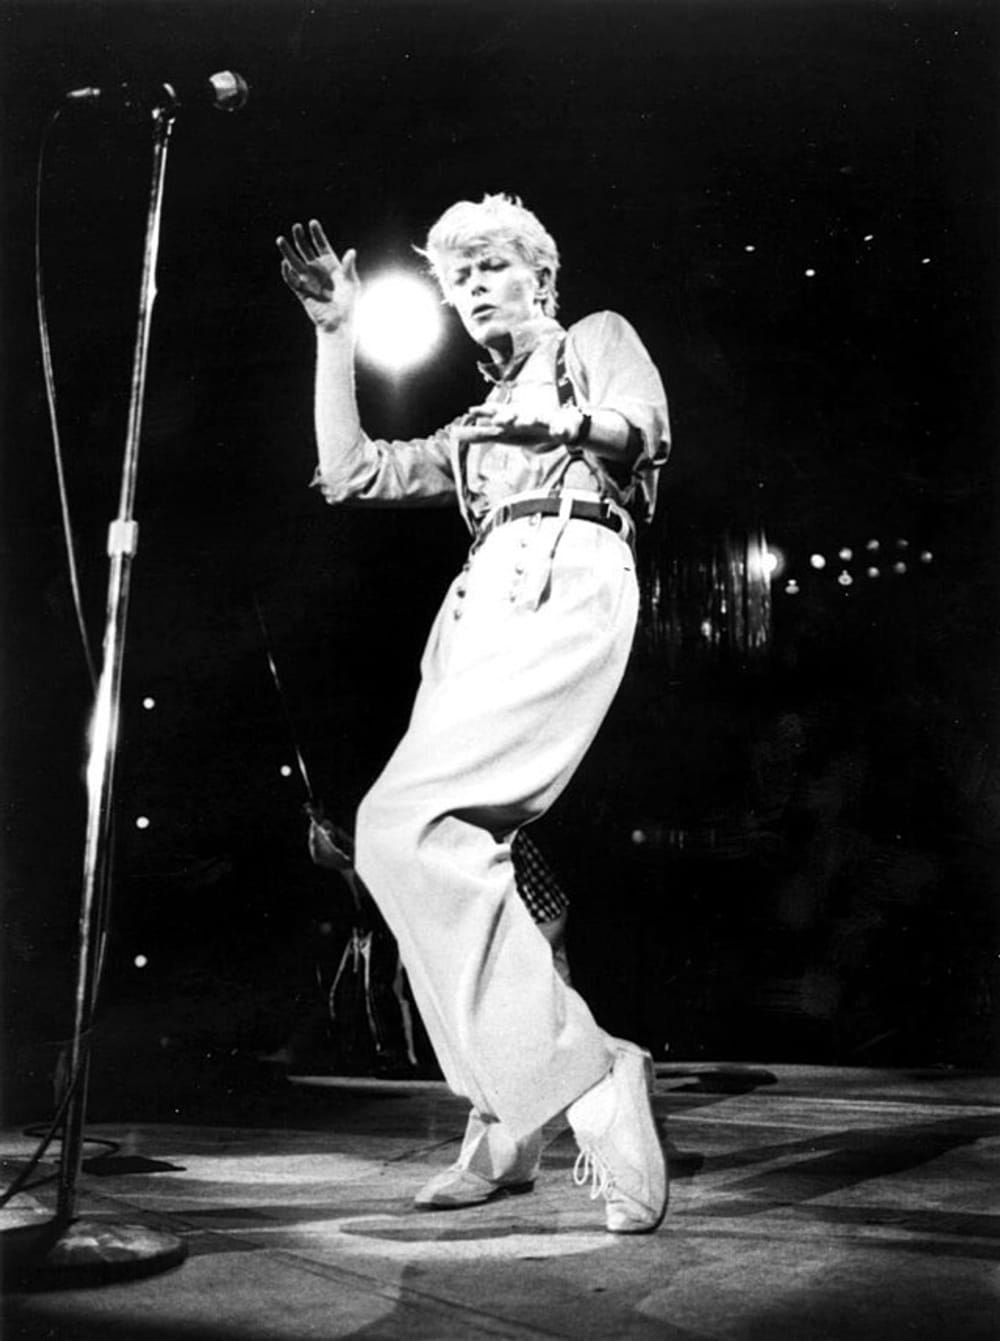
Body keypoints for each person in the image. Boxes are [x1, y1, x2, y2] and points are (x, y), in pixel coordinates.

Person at [277, 193, 671, 1233]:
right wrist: (336, 335)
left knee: (404, 825)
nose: (472, 288)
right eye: (457, 279)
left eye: (491, 266)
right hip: (477, 607)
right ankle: (507, 1120)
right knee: (441, 852)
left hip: (565, 566)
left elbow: (641, 430)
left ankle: (587, 1072)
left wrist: (563, 423)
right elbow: (349, 474)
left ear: (541, 276)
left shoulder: (591, 341)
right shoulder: (473, 427)